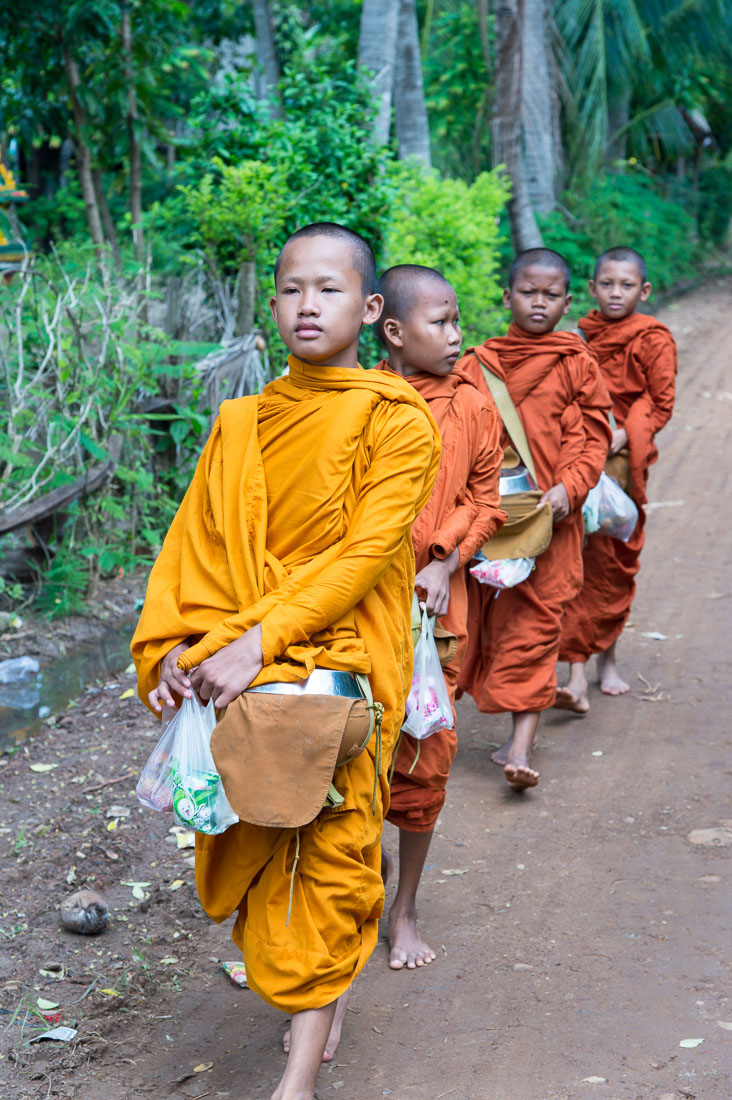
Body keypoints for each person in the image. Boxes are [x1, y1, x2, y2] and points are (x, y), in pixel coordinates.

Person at [131, 223, 441, 1100]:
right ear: (272, 305)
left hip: (341, 661)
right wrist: (173, 647)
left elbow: (361, 557)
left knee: (335, 851)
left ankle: (296, 1083)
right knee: (265, 836)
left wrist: (256, 640)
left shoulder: (398, 419)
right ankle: (321, 991)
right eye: (291, 289)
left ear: (371, 308)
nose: (308, 305)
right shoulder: (243, 421)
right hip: (235, 665)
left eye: (329, 289)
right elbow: (194, 548)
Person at [373, 264, 505, 970]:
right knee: (354, 756)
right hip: (362, 608)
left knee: (426, 757)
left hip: (438, 609)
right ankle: (351, 902)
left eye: (458, 321)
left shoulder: (473, 404)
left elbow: (487, 497)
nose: (457, 337)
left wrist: (447, 556)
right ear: (394, 332)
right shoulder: (362, 403)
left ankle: (407, 908)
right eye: (442, 323)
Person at [458, 248, 612, 790]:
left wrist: (571, 488)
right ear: (507, 297)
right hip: (487, 521)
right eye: (529, 292)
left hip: (550, 520)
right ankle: (433, 732)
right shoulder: (478, 362)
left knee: (537, 623)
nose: (539, 303)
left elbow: (592, 434)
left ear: (569, 302)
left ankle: (521, 746)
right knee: (468, 623)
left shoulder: (576, 362)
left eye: (551, 295)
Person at [556, 246, 677, 711]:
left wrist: (621, 437)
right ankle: (573, 672)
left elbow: (660, 403)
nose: (615, 293)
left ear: (643, 291)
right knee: (573, 562)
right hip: (578, 461)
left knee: (610, 565)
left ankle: (606, 661)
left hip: (621, 467)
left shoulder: (653, 338)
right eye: (606, 284)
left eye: (626, 285)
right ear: (591, 288)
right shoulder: (580, 335)